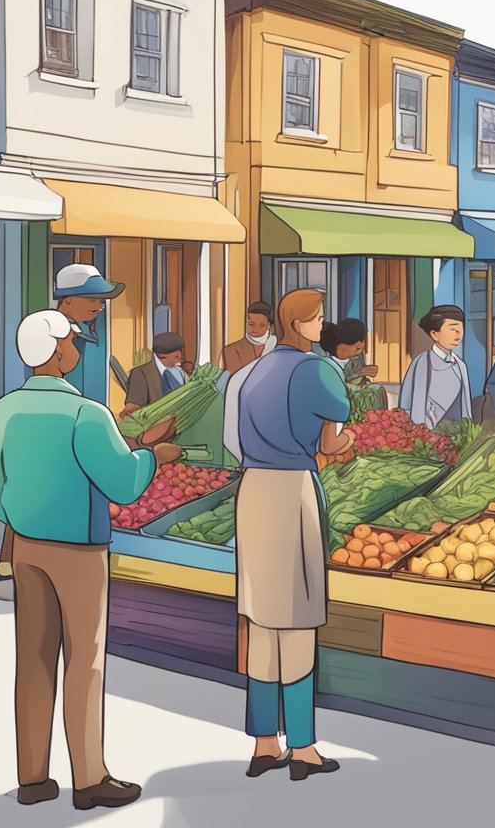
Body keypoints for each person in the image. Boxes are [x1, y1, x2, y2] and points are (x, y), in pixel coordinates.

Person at [0, 310, 181, 809]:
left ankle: (32, 776)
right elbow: (122, 482)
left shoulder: (6, 409)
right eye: (73, 340)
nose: (78, 346)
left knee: (32, 659)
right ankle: (89, 777)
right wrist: (154, 457)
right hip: (78, 547)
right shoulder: (86, 413)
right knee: (84, 660)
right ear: (57, 352)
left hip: (25, 543)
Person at [224, 289, 353, 782]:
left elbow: (233, 441)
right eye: (319, 318)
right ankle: (302, 748)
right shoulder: (316, 369)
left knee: (260, 622)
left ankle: (263, 742)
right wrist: (344, 445)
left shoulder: (250, 371)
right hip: (290, 490)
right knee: (297, 623)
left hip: (251, 492)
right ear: (300, 324)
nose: (323, 325)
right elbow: (332, 436)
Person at [54, 264, 126, 397]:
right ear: (68, 298)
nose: (99, 306)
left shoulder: (86, 329)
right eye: (92, 299)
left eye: (101, 300)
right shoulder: (50, 331)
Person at [398, 306, 472, 429]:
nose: (458, 334)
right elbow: (414, 403)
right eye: (452, 329)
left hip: (457, 433)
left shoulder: (460, 365)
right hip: (429, 433)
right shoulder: (422, 362)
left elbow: (465, 406)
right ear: (434, 334)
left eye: (460, 328)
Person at [123, 332, 185, 417]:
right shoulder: (140, 373)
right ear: (163, 356)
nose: (180, 358)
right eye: (176, 357)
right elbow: (132, 407)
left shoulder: (179, 372)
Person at [320, 319, 380, 386]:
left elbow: (361, 382)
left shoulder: (357, 357)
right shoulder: (325, 363)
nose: (361, 346)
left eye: (362, 340)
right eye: (353, 342)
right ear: (339, 346)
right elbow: (336, 383)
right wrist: (359, 373)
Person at [222, 302, 276, 375]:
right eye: (251, 324)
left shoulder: (277, 347)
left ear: (268, 325)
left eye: (261, 325)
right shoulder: (231, 350)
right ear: (246, 322)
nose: (256, 329)